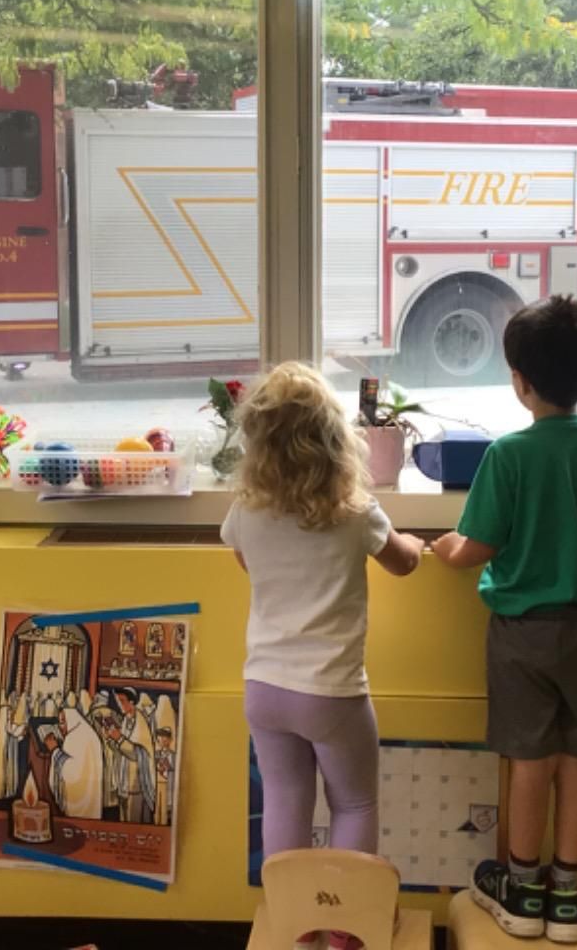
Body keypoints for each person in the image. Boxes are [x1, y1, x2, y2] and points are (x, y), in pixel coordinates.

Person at [431, 296, 577, 943]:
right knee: (576, 758)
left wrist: (446, 548)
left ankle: (522, 890)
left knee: (529, 761)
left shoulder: (509, 455)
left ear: (521, 382)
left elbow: (474, 548)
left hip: (521, 633)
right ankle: (565, 894)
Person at [223, 362, 424, 938]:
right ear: (336, 442)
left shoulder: (246, 512)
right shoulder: (354, 512)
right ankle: (346, 932)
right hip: (330, 693)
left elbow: (245, 560)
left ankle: (295, 926)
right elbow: (404, 561)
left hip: (264, 688)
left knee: (285, 800)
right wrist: (411, 541)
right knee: (354, 805)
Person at [105, 688, 157, 823]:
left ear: (132, 702)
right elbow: (122, 749)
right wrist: (112, 739)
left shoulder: (140, 723)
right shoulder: (126, 720)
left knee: (133, 820)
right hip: (124, 782)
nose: (119, 704)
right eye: (118, 701)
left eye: (122, 701)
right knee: (123, 820)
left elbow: (137, 753)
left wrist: (119, 739)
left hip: (135, 785)